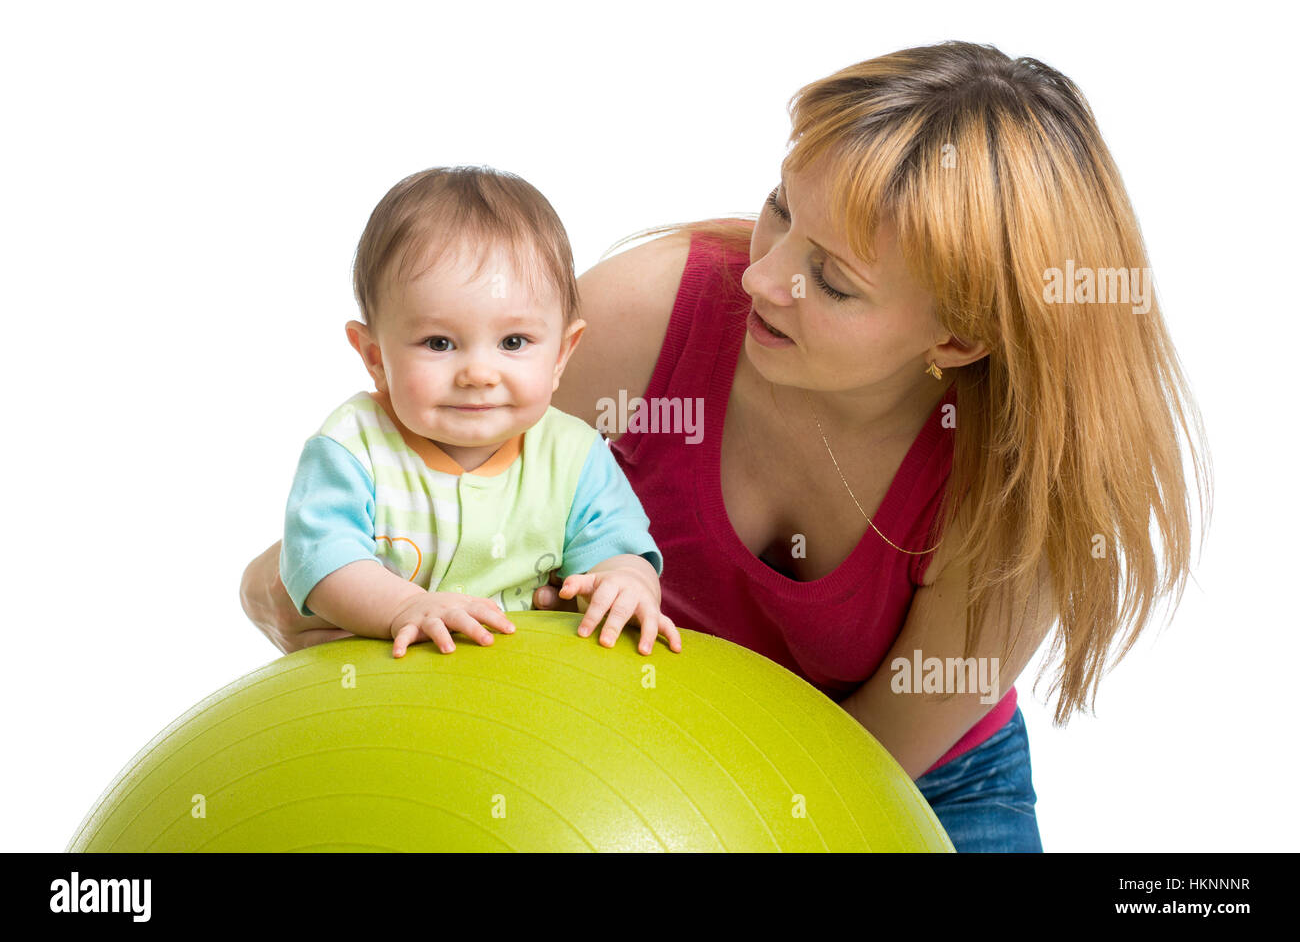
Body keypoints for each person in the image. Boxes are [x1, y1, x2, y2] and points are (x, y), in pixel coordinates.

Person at [241, 42, 1210, 851]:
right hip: (626, 739)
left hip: (906, 781)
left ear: (954, 339)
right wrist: (335, 593)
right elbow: (349, 534)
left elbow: (835, 785)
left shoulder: (1011, 499)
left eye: (829, 281)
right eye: (781, 209)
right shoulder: (640, 319)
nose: (762, 278)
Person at [278, 166, 680, 659]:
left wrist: (627, 582)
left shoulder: (575, 455)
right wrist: (406, 606)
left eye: (513, 342)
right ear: (375, 357)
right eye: (439, 343)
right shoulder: (352, 446)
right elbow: (322, 561)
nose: (478, 373)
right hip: (385, 691)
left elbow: (614, 546)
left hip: (525, 696)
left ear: (560, 355)